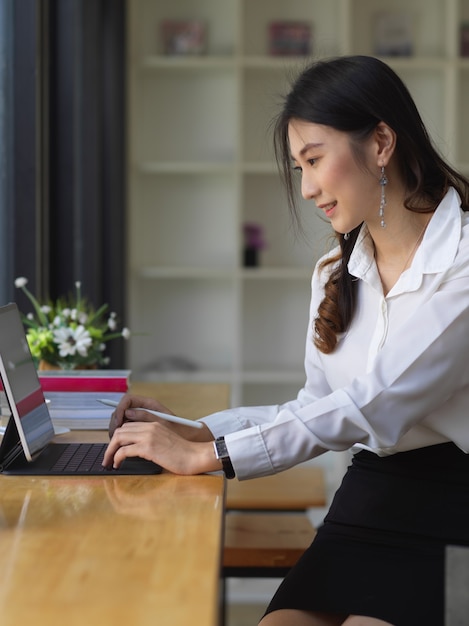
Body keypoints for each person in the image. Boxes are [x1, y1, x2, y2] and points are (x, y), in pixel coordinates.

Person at [102, 55, 469, 625]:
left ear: (380, 143)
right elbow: (313, 408)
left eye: (315, 160)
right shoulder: (333, 270)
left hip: (455, 511)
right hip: (368, 498)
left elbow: (371, 404)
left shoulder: (464, 264)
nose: (306, 188)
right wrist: (193, 430)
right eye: (300, 167)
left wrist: (209, 457)